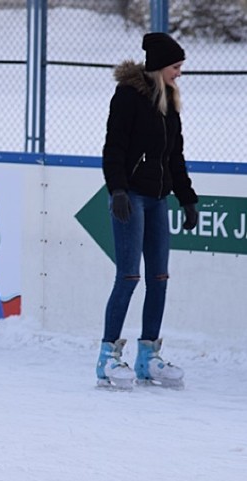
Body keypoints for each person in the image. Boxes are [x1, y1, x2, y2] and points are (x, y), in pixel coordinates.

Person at [97, 32, 198, 391]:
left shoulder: (169, 101)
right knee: (128, 276)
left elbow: (175, 156)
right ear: (158, 67)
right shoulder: (128, 97)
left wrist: (186, 198)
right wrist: (118, 189)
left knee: (159, 278)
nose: (179, 73)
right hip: (131, 198)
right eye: (175, 66)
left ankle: (147, 356)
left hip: (157, 200)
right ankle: (107, 356)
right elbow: (113, 146)